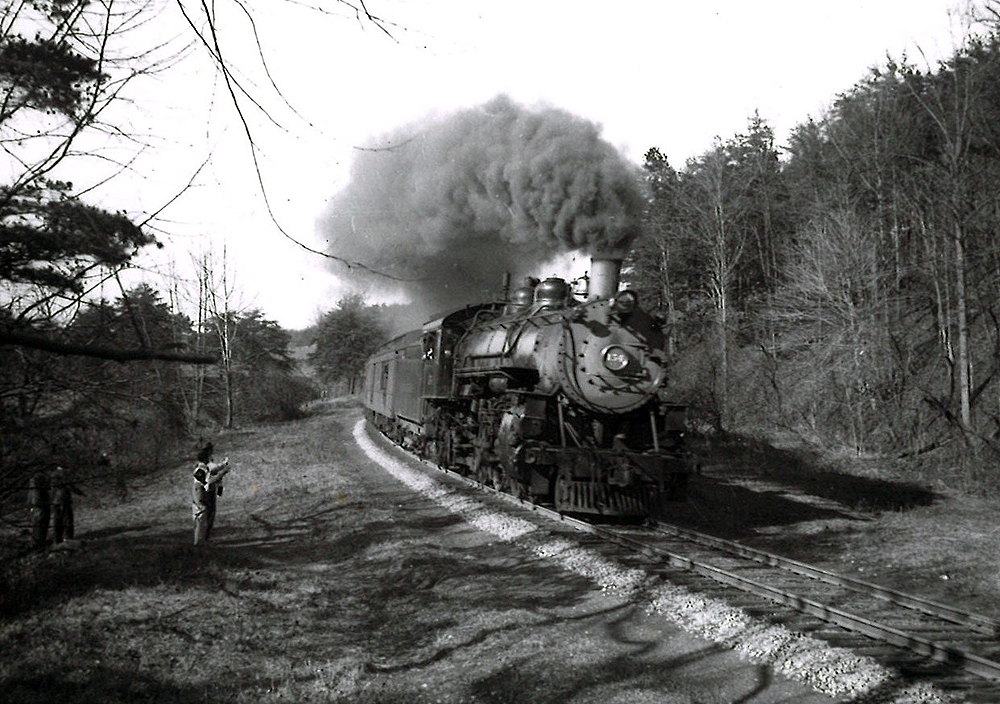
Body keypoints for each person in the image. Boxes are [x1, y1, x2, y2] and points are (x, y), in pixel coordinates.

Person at [192, 443, 230, 546]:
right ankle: (199, 543)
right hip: (200, 496)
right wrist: (223, 472)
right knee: (201, 519)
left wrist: (222, 466)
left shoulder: (203, 468)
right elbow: (209, 481)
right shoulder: (200, 470)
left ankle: (202, 541)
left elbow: (212, 470)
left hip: (202, 494)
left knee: (203, 519)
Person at [51, 466, 84, 543]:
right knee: (67, 519)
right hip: (64, 499)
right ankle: (67, 537)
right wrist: (81, 493)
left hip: (55, 500)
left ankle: (57, 538)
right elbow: (70, 486)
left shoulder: (52, 475)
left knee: (57, 520)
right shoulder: (63, 474)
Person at [27, 471, 51, 550]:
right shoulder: (37, 486)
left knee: (37, 525)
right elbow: (37, 499)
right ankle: (39, 544)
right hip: (40, 507)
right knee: (41, 524)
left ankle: (37, 542)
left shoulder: (32, 486)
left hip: (35, 507)